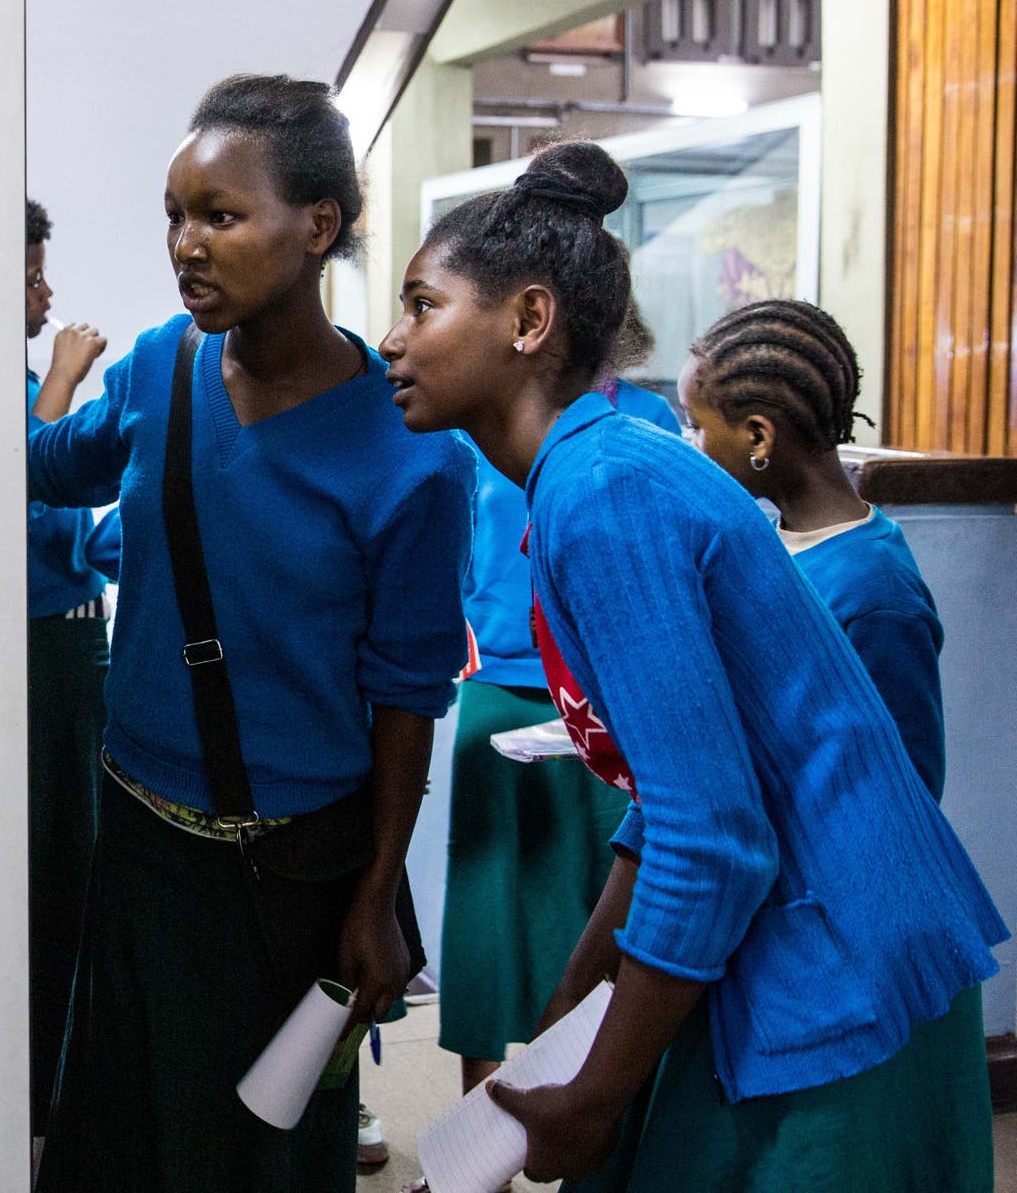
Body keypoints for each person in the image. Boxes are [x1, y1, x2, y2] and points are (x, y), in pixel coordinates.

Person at [377, 140, 1005, 1191]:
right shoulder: (593, 472)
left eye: (420, 305)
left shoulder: (603, 493)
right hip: (814, 939)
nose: (392, 341)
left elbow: (712, 836)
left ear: (527, 321)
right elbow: (676, 795)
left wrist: (591, 1090)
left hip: (839, 968)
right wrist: (572, 1002)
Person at [30, 75, 473, 1192]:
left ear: (316, 225)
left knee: (261, 1151)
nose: (186, 244)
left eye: (218, 216)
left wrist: (373, 893)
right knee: (119, 1139)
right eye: (174, 216)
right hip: (136, 841)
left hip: (293, 871)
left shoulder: (408, 448)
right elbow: (44, 466)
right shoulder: (156, 367)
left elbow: (407, 691)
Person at [438, 309, 680, 1097]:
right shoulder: (480, 419)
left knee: (607, 908)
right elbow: (451, 544)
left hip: (614, 700)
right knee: (489, 917)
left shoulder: (645, 420)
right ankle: (480, 1133)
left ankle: (601, 1117)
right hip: (502, 688)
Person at [679, 299, 945, 797]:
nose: (687, 443)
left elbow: (907, 793)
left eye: (697, 426)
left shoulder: (877, 596)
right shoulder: (766, 541)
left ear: (758, 437)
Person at [25, 198, 111, 1140]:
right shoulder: (12, 392)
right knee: (52, 877)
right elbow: (30, 486)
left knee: (75, 878)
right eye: (30, 274)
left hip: (72, 649)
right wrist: (62, 380)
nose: (46, 291)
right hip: (44, 657)